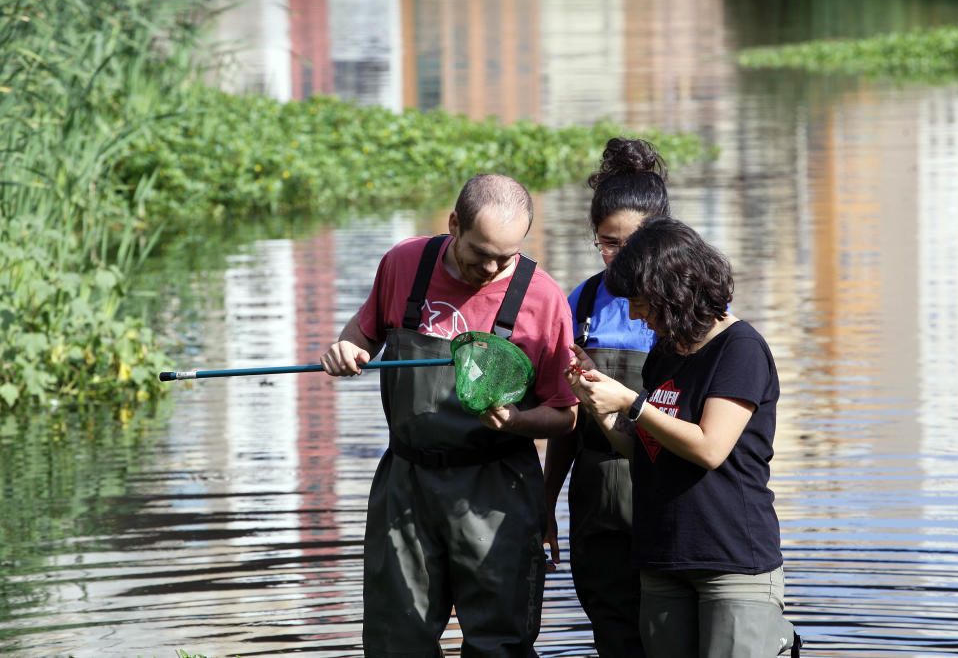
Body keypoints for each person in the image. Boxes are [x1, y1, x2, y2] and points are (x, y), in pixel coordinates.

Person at [321, 174, 579, 658]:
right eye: (481, 252)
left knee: (499, 640)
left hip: (496, 486)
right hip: (407, 481)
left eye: (507, 256)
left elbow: (566, 415)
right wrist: (346, 350)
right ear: (453, 223)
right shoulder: (404, 263)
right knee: (396, 637)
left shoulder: (542, 297)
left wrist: (519, 421)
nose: (493, 267)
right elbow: (363, 332)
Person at [564, 216, 801, 658]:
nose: (634, 313)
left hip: (729, 561)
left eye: (639, 300)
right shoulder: (665, 353)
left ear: (673, 291)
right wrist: (600, 404)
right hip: (662, 558)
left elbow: (709, 448)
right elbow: (643, 449)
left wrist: (633, 403)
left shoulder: (740, 349)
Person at [542, 137, 669, 657]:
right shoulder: (582, 302)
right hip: (596, 500)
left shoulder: (685, 307)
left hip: (664, 492)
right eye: (607, 243)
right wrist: (545, 503)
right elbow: (568, 417)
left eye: (631, 242)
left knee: (669, 631)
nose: (619, 256)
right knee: (612, 632)